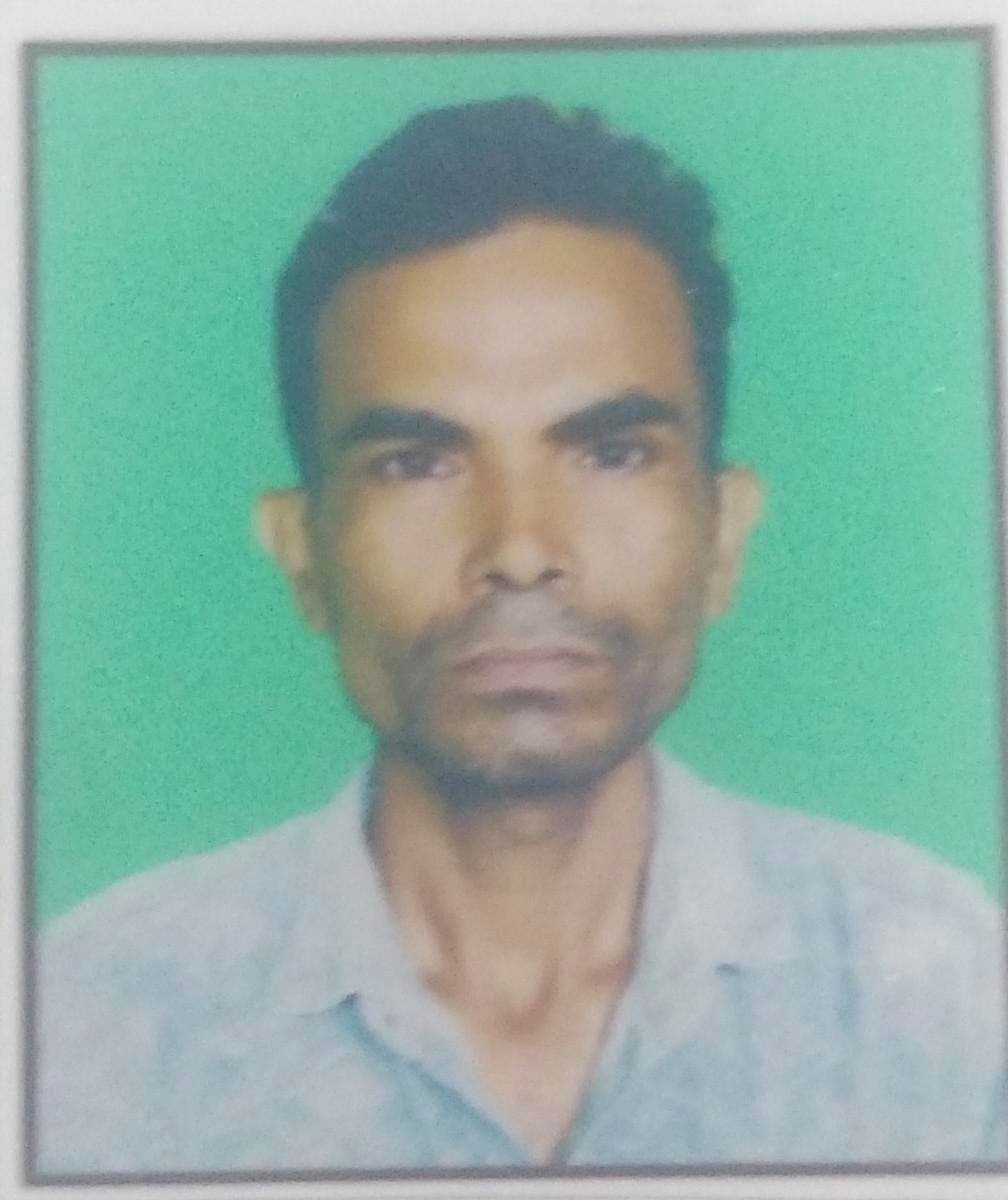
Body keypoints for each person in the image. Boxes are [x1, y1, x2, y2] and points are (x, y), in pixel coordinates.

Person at [36, 97, 1005, 1176]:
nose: (521, 548)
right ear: (302, 551)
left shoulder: (945, 996)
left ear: (723, 533)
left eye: (612, 453)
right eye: (417, 463)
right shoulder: (81, 1027)